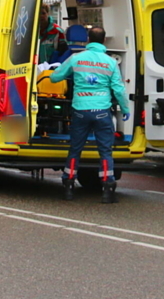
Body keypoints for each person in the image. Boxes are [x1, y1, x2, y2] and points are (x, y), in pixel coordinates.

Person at [49, 26, 129, 203]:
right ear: (104, 40)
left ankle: (68, 186)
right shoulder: (110, 62)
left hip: (80, 111)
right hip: (102, 112)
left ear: (87, 39)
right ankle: (107, 189)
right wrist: (125, 109)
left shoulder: (76, 58)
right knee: (105, 152)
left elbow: (55, 78)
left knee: (75, 150)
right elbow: (118, 89)